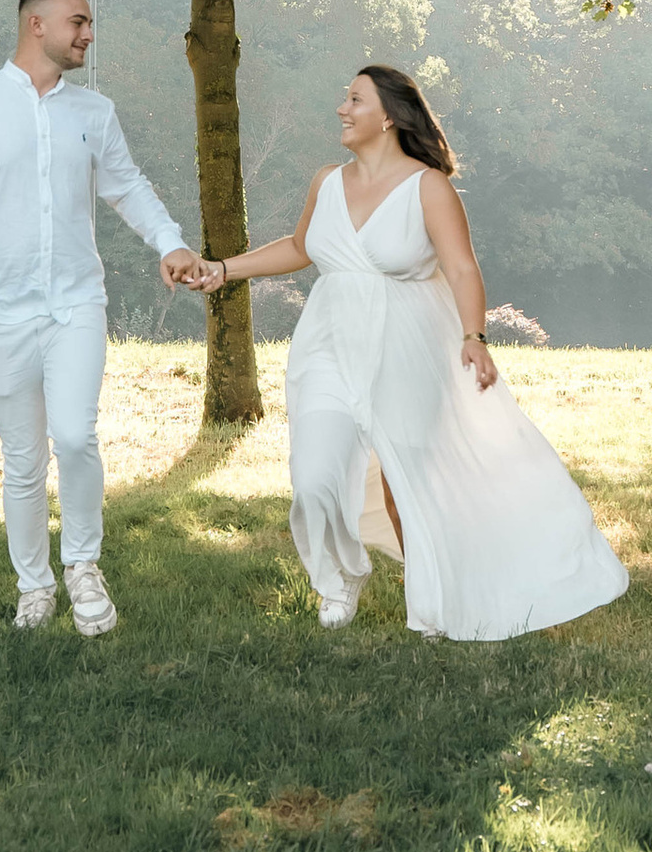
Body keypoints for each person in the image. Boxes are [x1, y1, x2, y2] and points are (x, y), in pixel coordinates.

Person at [189, 65, 629, 640]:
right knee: (314, 478)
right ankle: (342, 577)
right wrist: (223, 270)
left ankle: (434, 602)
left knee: (410, 484)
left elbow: (462, 267)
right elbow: (300, 247)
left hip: (407, 350)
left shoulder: (428, 187)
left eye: (354, 100)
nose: (342, 110)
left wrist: (475, 338)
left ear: (390, 117)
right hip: (327, 346)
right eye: (344, 98)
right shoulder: (327, 181)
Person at [0, 0, 205, 634]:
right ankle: (33, 586)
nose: (89, 33)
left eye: (89, 23)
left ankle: (83, 567)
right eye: (79, 21)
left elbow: (130, 190)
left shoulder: (94, 114)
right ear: (38, 25)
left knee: (74, 435)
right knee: (25, 459)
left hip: (75, 304)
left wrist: (172, 243)